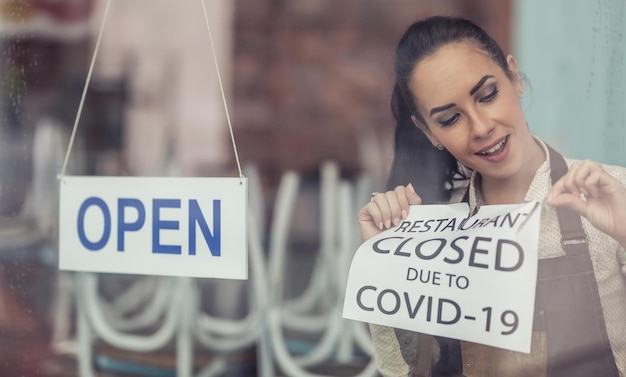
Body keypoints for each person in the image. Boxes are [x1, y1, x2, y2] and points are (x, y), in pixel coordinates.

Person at [357, 15, 626, 377]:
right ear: (428, 131)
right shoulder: (435, 235)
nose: (481, 127)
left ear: (513, 77)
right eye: (451, 119)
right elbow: (407, 372)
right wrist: (387, 263)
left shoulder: (614, 193)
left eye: (487, 95)